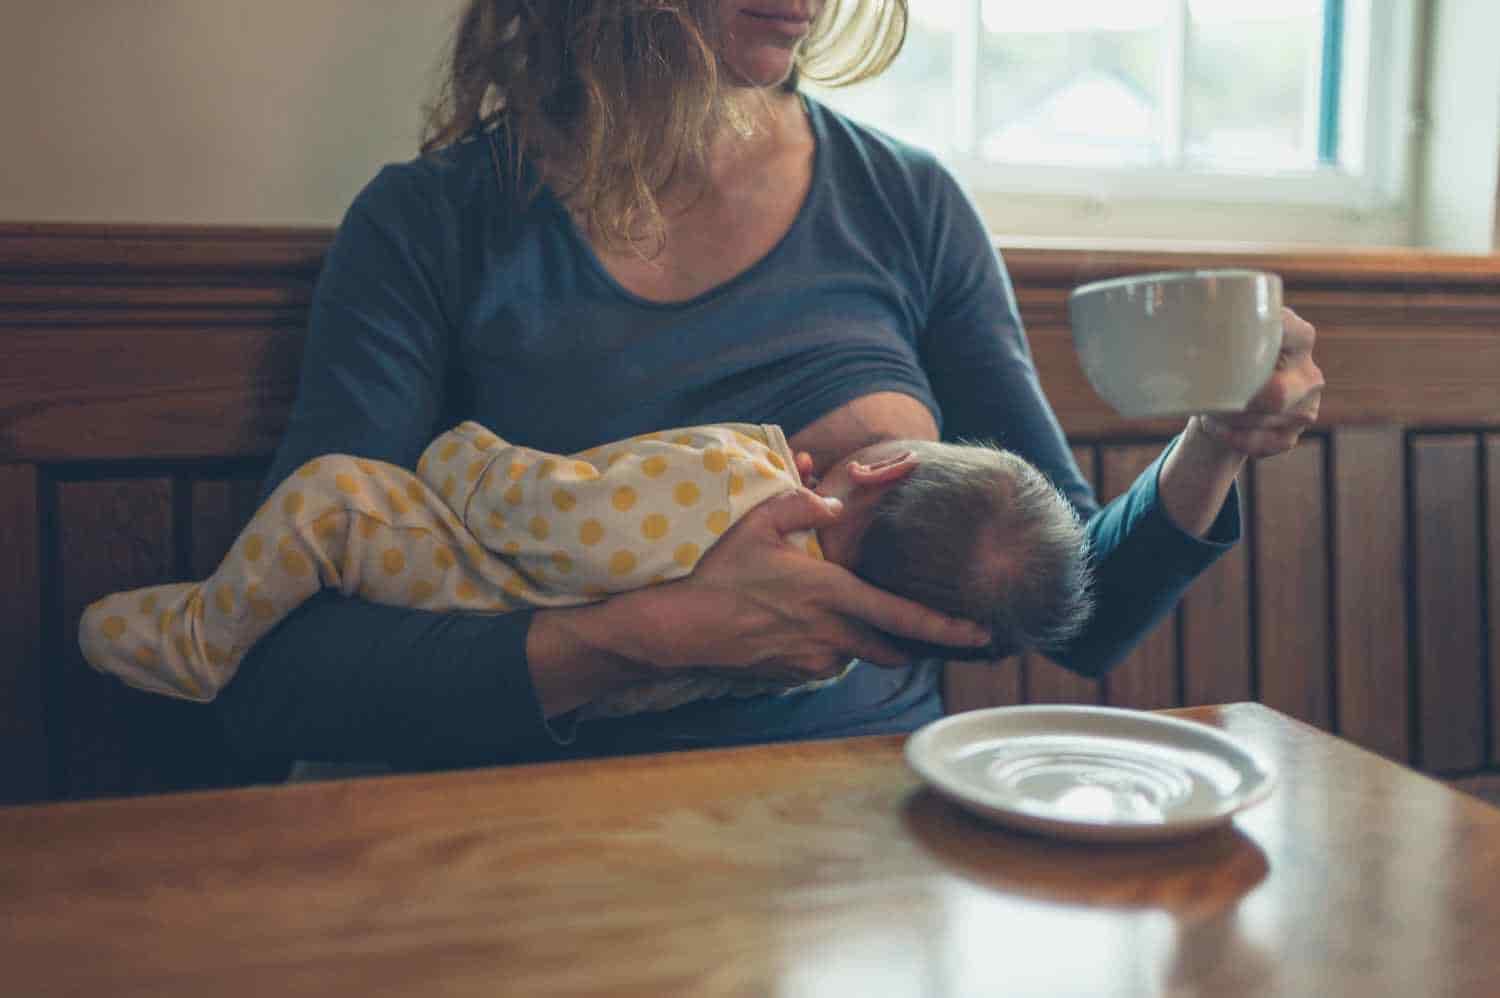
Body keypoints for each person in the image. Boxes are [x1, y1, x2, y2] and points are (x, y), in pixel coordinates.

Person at [212, 0, 1323, 772]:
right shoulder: (434, 223)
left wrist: (1216, 439)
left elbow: (1080, 607)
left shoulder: (906, 203)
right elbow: (284, 670)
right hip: (523, 823)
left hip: (859, 814)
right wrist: (649, 634)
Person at [80, 420, 1093, 717]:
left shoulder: (722, 489)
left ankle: (198, 641)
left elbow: (549, 512)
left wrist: (460, 453)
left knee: (333, 493)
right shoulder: (821, 653)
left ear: (882, 468)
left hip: (452, 565)